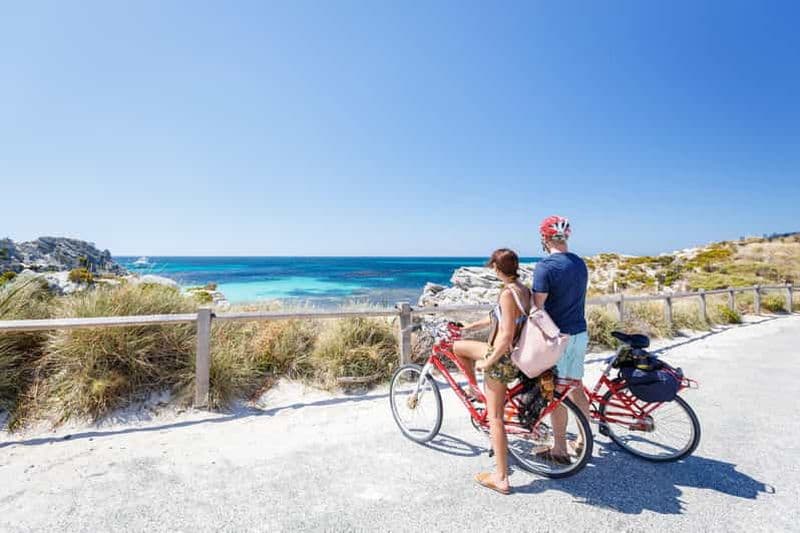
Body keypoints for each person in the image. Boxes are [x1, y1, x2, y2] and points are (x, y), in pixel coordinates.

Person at [453, 248, 531, 495]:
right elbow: (496, 318)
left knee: (495, 418)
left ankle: (501, 478)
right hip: (513, 354)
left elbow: (505, 334)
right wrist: (470, 326)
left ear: (497, 269)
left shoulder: (507, 293)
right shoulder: (523, 290)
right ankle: (475, 389)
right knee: (458, 347)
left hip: (501, 358)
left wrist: (488, 362)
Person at [532, 215, 590, 463]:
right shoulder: (579, 263)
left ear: (544, 238)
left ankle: (559, 449)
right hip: (580, 333)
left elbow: (537, 307)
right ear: (565, 237)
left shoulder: (545, 267)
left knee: (555, 393)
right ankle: (583, 440)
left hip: (559, 338)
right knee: (576, 386)